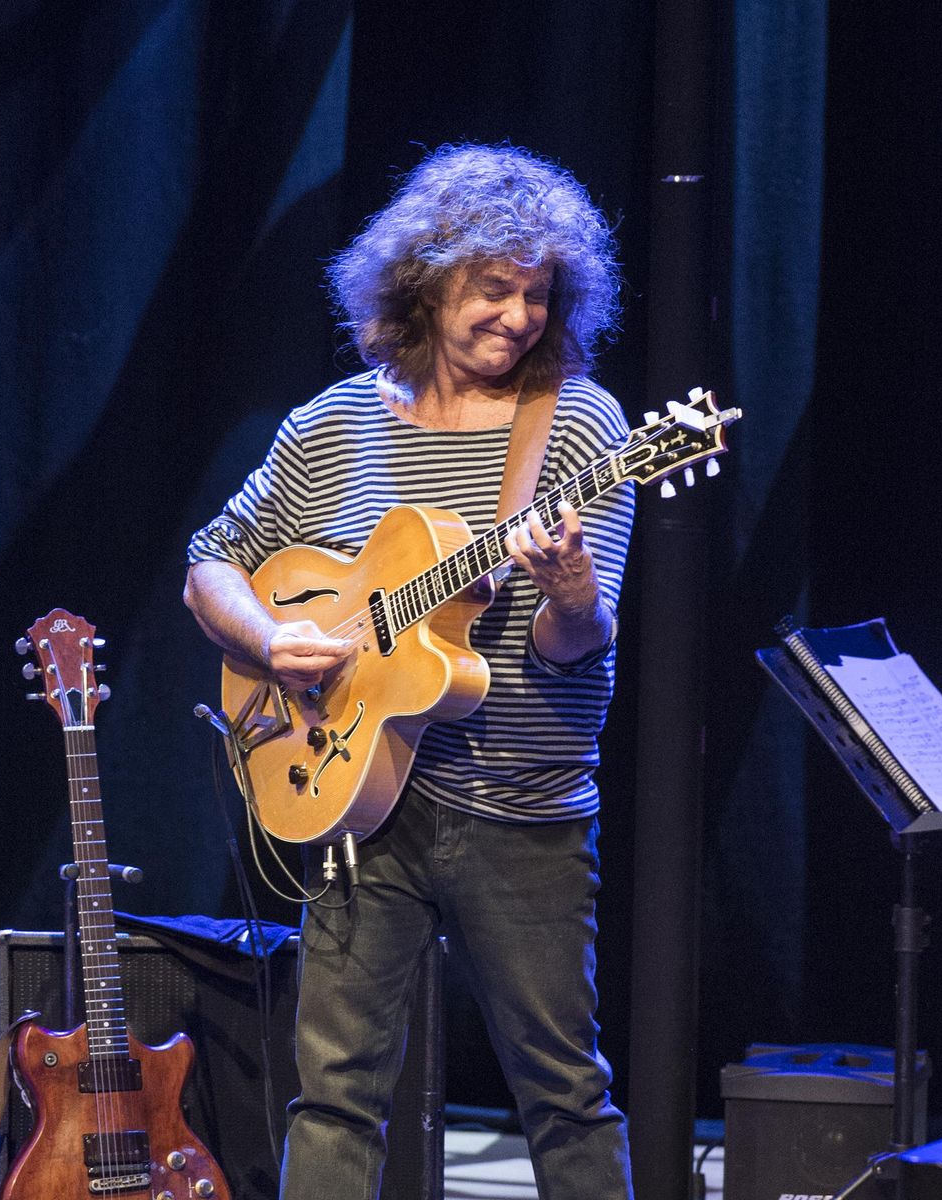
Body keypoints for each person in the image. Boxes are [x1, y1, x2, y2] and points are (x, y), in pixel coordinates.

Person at [184, 142, 635, 1200]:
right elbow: (212, 562)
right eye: (494, 289)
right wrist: (268, 642)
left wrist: (570, 592)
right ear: (426, 284)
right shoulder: (332, 424)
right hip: (353, 797)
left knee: (564, 1094)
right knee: (333, 1096)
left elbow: (573, 645)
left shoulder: (579, 423)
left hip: (520, 806)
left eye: (538, 293)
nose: (519, 317)